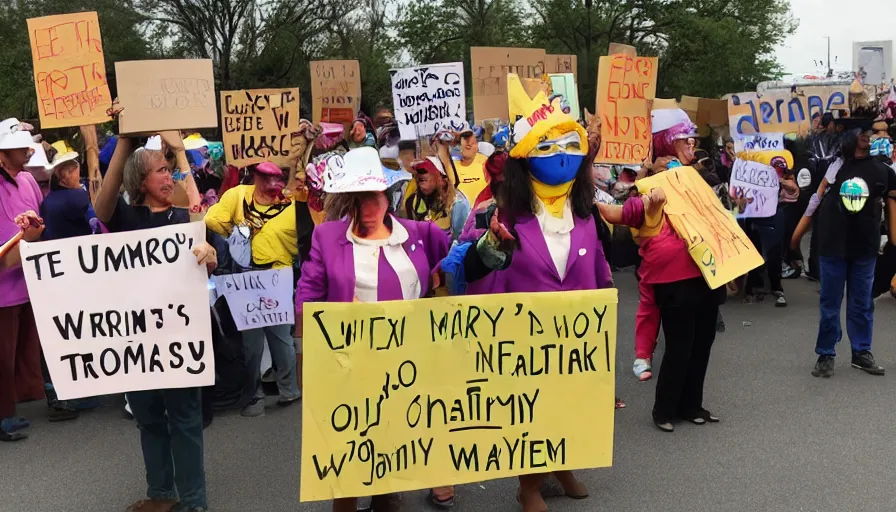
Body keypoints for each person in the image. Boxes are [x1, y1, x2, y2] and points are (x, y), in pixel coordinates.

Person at [458, 77, 605, 511]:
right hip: (523, 340)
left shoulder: (584, 215)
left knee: (571, 406)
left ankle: (561, 466)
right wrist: (491, 248)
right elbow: (465, 271)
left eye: (568, 144)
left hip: (576, 337)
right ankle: (529, 485)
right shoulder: (498, 214)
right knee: (534, 411)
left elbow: (596, 271)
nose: (561, 154)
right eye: (547, 146)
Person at [295, 147, 450, 512]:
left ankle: (386, 498)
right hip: (352, 361)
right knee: (351, 444)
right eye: (358, 196)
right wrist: (304, 350)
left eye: (374, 195)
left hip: (408, 359)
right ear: (348, 199)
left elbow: (452, 269)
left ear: (388, 195)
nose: (367, 205)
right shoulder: (328, 237)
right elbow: (308, 292)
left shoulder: (421, 233)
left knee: (394, 436)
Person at [93, 130, 217, 512]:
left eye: (170, 171)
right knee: (148, 417)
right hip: (137, 339)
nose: (170, 178)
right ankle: (161, 494)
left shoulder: (185, 218)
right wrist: (125, 142)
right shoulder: (128, 219)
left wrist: (180, 154)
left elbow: (202, 225)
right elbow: (101, 209)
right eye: (161, 171)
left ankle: (193, 501)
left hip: (181, 334)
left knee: (185, 418)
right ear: (140, 182)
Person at [205, 161, 304, 416]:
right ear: (254, 175)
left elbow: (303, 239)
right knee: (251, 344)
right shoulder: (238, 195)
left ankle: (289, 390)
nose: (272, 184)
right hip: (245, 280)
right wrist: (236, 232)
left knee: (281, 339)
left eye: (277, 178)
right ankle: (254, 397)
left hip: (277, 277)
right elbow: (212, 219)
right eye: (265, 177)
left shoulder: (291, 204)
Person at [811, 127, 896, 378]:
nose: (866, 135)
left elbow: (892, 205)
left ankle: (861, 352)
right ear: (848, 135)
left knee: (862, 303)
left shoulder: (884, 171)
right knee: (829, 303)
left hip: (865, 248)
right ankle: (826, 353)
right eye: (860, 131)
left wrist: (893, 239)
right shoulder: (833, 166)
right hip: (832, 246)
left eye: (868, 132)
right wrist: (799, 233)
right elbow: (816, 197)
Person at [0, 119, 49, 441]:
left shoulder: (29, 180)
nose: (28, 149)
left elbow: (42, 216)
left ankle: (18, 402)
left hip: (29, 280)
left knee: (24, 349)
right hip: (3, 287)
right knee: (2, 355)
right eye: (20, 145)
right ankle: (3, 415)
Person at [404, 156, 471, 242]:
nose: (419, 173)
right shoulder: (414, 200)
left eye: (424, 170)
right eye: (418, 171)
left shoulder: (458, 204)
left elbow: (460, 243)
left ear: (442, 179)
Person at [452, 122, 488, 201]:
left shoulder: (485, 162)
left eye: (472, 142)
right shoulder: (452, 167)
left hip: (483, 211)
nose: (468, 144)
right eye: (465, 140)